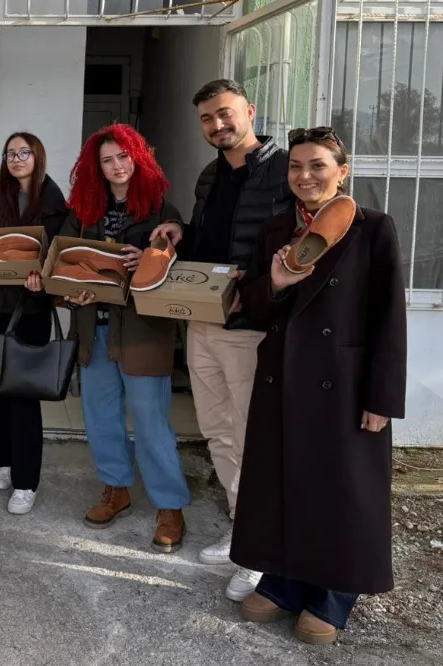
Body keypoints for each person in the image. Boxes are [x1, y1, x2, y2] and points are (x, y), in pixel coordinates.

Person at [231, 127, 406, 644]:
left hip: (345, 383)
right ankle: (285, 580)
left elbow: (389, 317)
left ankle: (334, 592)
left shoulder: (374, 228)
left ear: (341, 172)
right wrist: (275, 283)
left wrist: (382, 398)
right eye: (295, 166)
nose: (304, 176)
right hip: (283, 376)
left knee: (341, 490)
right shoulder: (276, 228)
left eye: (317, 166)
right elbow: (254, 307)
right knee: (286, 481)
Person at [184, 79, 295, 599]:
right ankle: (240, 526)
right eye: (207, 119)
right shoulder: (209, 175)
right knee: (217, 432)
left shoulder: (283, 170)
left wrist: (257, 293)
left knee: (252, 437)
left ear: (250, 111)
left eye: (225, 113)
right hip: (203, 321)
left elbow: (298, 248)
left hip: (250, 327)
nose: (217, 125)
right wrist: (177, 236)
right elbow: (206, 239)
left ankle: (259, 551)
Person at [60, 124, 190, 552]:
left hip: (142, 331)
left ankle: (170, 505)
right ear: (95, 168)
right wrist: (70, 293)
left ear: (138, 158)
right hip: (94, 327)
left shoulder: (160, 208)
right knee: (101, 417)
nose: (116, 166)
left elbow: (178, 265)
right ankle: (116, 488)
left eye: (123, 157)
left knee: (152, 423)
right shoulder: (83, 210)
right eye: (107, 160)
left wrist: (149, 259)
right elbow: (62, 262)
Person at [0, 132, 67, 515]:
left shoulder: (54, 203)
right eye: (10, 154)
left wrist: (44, 282)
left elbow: (61, 259)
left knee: (23, 393)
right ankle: (3, 460)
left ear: (38, 156)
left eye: (24, 152)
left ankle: (26, 480)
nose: (16, 159)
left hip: (29, 310)